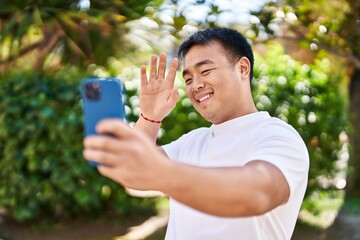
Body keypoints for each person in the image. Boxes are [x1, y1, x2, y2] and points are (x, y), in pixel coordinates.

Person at [83, 28, 309, 240]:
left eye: (205, 71)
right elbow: (133, 179)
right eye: (188, 79)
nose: (196, 85)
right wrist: (150, 118)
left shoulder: (277, 136)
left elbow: (257, 194)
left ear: (242, 68)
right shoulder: (193, 141)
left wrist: (160, 171)